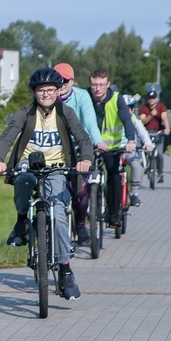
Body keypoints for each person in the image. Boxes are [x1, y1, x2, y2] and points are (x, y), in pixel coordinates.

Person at [0, 67, 93, 300]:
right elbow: (8, 136)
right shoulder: (25, 114)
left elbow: (82, 137)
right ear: (34, 92)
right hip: (28, 166)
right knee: (23, 183)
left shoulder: (66, 113)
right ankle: (21, 223)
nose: (45, 94)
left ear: (58, 91)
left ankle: (65, 270)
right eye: (40, 90)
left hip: (57, 169)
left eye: (50, 90)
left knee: (57, 213)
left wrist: (86, 159)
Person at [54, 62, 103, 246]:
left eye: (64, 81)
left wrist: (97, 141)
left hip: (79, 146)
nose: (60, 85)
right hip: (57, 148)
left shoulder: (82, 96)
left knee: (80, 189)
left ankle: (81, 224)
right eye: (56, 81)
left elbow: (90, 121)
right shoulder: (48, 98)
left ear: (72, 81)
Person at [87, 69, 137, 228]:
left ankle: (114, 214)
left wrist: (130, 140)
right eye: (94, 84)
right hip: (90, 146)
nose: (97, 88)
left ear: (108, 84)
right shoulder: (85, 97)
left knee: (114, 175)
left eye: (101, 84)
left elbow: (127, 121)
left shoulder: (117, 99)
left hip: (112, 147)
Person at [122, 95, 154, 207]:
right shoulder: (113, 117)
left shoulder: (134, 119)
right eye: (124, 108)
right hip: (116, 150)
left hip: (130, 151)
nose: (127, 111)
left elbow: (142, 132)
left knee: (136, 166)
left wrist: (148, 144)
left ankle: (134, 193)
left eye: (129, 108)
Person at [138, 90, 171, 183]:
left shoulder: (161, 107)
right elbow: (142, 121)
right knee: (144, 153)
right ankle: (145, 167)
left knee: (159, 154)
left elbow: (164, 118)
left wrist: (167, 129)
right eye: (149, 98)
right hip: (146, 133)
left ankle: (160, 174)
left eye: (153, 98)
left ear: (156, 99)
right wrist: (151, 115)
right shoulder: (143, 108)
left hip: (158, 133)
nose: (151, 100)